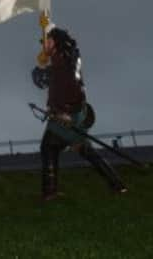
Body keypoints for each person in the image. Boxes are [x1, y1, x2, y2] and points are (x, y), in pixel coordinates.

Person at [32, 25, 127, 201]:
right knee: (85, 151)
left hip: (66, 118)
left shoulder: (63, 63)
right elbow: (46, 80)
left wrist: (66, 112)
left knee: (49, 148)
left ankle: (50, 193)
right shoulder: (66, 59)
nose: (44, 44)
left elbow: (74, 90)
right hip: (71, 115)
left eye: (48, 41)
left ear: (57, 43)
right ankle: (117, 185)